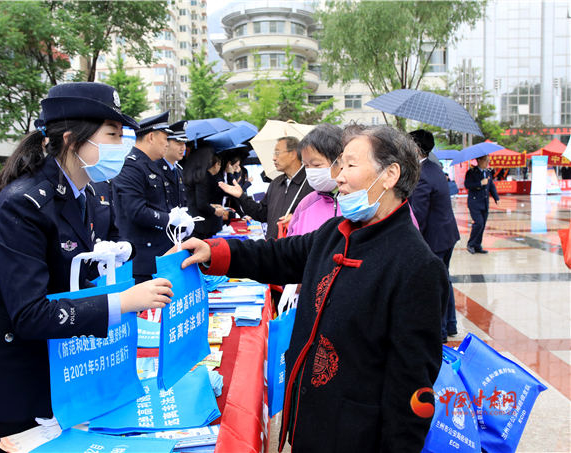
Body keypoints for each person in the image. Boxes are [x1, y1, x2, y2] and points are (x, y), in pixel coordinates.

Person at [0, 83, 173, 452]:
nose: (122, 146)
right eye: (112, 135)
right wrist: (123, 302)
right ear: (71, 140)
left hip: (46, 370)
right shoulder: (22, 205)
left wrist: (103, 265)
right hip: (0, 384)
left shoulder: (83, 194)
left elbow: (66, 275)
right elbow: (29, 314)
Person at [180, 124, 448, 452]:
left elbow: (411, 386)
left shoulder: (416, 265)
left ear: (390, 175)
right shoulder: (335, 232)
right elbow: (278, 255)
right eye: (339, 165)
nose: (339, 177)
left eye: (350, 165)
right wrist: (215, 252)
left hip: (355, 437)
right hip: (308, 421)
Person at [408, 129, 461, 342]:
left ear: (415, 148)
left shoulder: (421, 176)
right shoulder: (434, 168)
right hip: (447, 234)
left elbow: (418, 215)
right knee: (444, 279)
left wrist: (410, 240)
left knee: (435, 284)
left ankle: (440, 331)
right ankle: (450, 324)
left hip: (435, 238)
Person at [111, 111, 174, 283]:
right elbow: (136, 211)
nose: (167, 144)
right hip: (142, 259)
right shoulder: (131, 166)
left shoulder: (150, 164)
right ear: (151, 137)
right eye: (165, 138)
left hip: (158, 255)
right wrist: (170, 219)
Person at [218, 137, 312, 239]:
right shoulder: (276, 183)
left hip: (297, 245)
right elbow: (262, 214)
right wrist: (241, 196)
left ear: (293, 154)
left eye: (277, 153)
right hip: (273, 244)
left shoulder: (311, 183)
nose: (274, 158)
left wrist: (297, 218)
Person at [287, 124, 344, 237]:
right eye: (306, 165)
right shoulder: (306, 204)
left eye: (317, 165)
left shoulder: (358, 205)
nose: (311, 171)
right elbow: (291, 243)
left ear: (341, 160)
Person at [183, 145, 226, 239]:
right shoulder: (202, 176)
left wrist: (212, 205)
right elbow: (201, 204)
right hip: (199, 225)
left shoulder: (191, 173)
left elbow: (195, 199)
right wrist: (215, 211)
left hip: (192, 221)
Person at [465, 154, 499, 254]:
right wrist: (480, 183)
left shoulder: (487, 172)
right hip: (475, 202)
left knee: (482, 225)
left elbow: (491, 186)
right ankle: (471, 244)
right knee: (478, 223)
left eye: (488, 161)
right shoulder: (471, 172)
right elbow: (467, 185)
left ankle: (477, 245)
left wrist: (496, 198)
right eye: (485, 160)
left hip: (484, 202)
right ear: (479, 160)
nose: (487, 163)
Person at [156, 120, 187, 209]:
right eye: (179, 144)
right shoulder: (155, 168)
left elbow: (182, 201)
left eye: (184, 144)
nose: (183, 148)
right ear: (166, 144)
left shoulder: (178, 170)